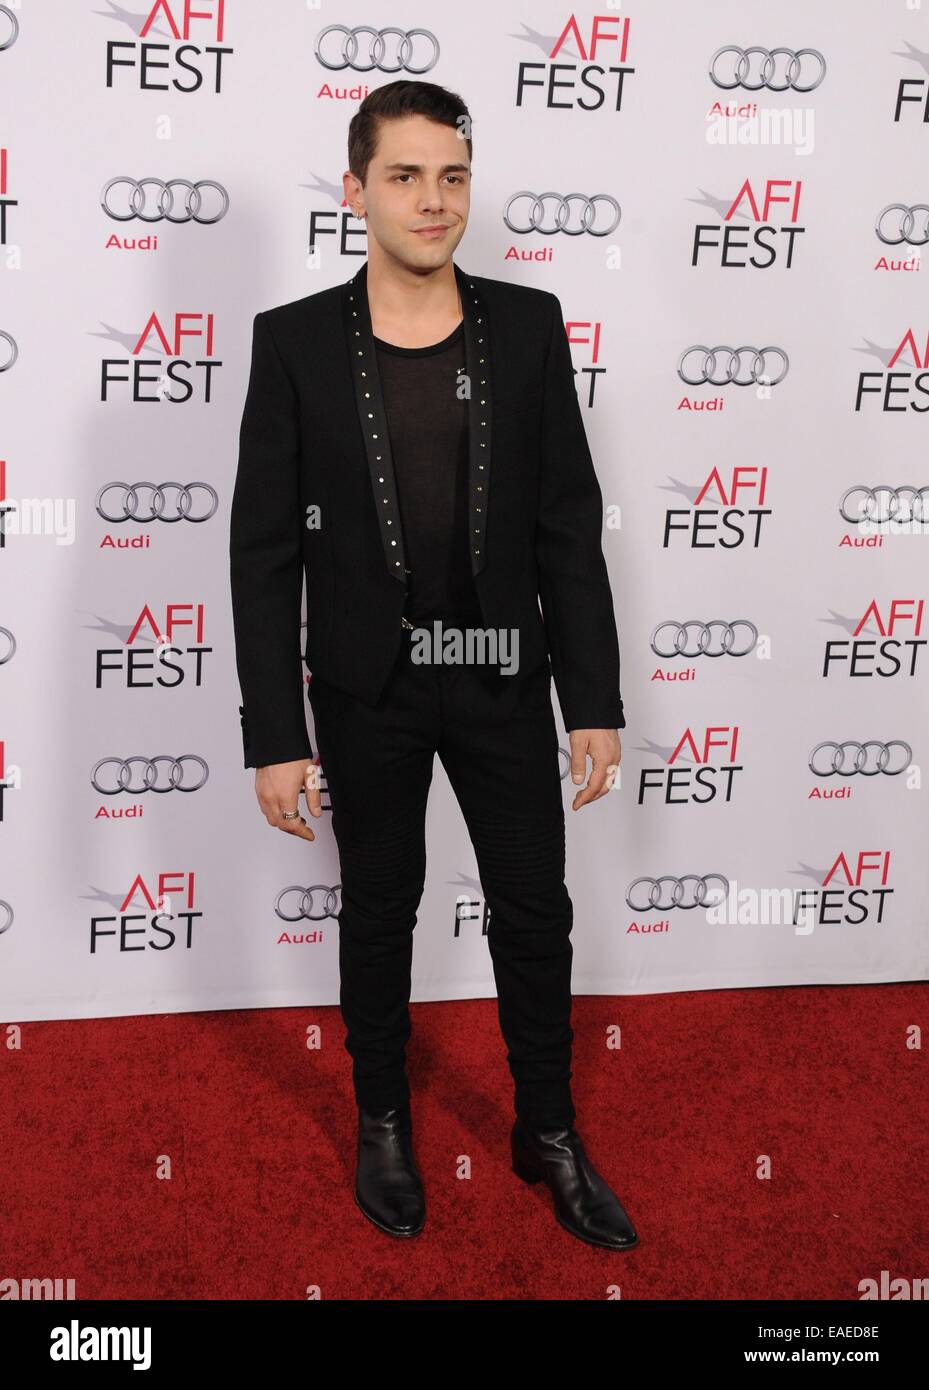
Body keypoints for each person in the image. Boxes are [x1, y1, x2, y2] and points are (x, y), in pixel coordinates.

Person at [229, 79, 637, 1251]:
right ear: (354, 190)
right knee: (379, 911)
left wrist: (593, 701)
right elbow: (262, 552)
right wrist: (272, 733)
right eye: (404, 175)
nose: (432, 199)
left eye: (451, 175)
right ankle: (382, 1124)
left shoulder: (528, 324)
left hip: (503, 673)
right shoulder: (295, 342)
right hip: (368, 687)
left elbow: (566, 521)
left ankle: (546, 1131)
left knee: (534, 912)